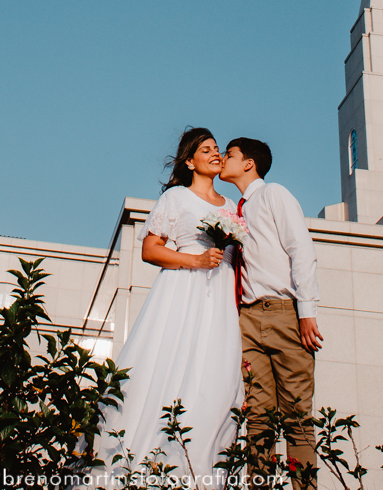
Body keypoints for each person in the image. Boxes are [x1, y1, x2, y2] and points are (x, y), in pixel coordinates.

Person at [94, 127, 244, 487]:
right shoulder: (176, 198)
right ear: (190, 161)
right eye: (205, 150)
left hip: (221, 299)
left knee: (217, 378)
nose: (215, 153)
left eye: (217, 149)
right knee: (167, 366)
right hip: (182, 292)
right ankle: (138, 467)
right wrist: (193, 261)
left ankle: (199, 473)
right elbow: (150, 250)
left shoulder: (232, 208)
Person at [220, 137, 323, 490]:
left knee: (297, 416)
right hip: (247, 319)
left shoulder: (274, 194)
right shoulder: (234, 210)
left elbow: (301, 249)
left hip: (284, 314)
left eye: (228, 155)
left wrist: (306, 311)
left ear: (249, 163)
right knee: (258, 419)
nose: (221, 158)